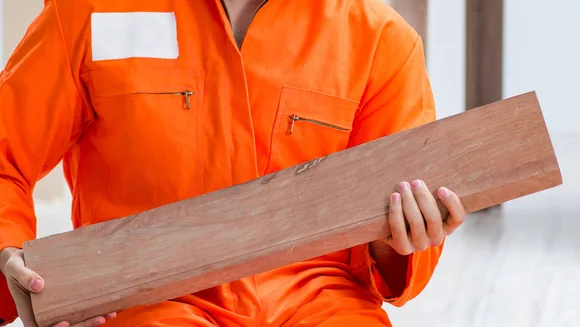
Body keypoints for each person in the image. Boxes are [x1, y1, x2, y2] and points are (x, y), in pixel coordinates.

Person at [0, 0, 466, 326]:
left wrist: (403, 239)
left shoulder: (379, 41)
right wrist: (7, 252)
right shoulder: (91, 12)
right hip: (141, 301)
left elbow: (396, 236)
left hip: (321, 304)